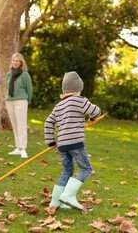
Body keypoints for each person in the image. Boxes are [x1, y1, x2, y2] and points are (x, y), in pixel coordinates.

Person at [44, 71, 101, 210]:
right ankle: (68, 195)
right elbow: (95, 111)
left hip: (62, 144)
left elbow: (48, 122)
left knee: (67, 171)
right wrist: (93, 117)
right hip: (75, 142)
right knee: (86, 169)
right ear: (78, 89)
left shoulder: (59, 105)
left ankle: (56, 202)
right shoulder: (79, 100)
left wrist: (51, 142)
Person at [5, 53, 33, 158]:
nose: (15, 62)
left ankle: (23, 148)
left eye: (17, 61)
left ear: (21, 63)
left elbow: (29, 89)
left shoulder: (25, 74)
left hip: (21, 101)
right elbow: (7, 88)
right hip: (9, 101)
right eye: (14, 60)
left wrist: (28, 100)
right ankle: (17, 147)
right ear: (11, 62)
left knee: (21, 124)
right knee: (15, 124)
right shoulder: (9, 74)